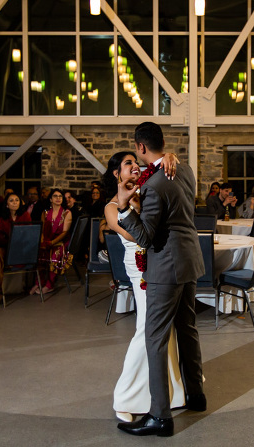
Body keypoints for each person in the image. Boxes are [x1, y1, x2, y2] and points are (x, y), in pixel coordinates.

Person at [116, 122, 205, 437]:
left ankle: (160, 416)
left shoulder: (153, 184)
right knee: (187, 329)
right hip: (190, 259)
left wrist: (124, 207)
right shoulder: (185, 171)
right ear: (162, 143)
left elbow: (145, 237)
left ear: (140, 147)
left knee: (155, 339)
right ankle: (196, 395)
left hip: (166, 267)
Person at [103, 151, 185, 423]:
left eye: (135, 161)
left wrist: (169, 156)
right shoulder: (112, 207)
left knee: (163, 328)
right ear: (116, 173)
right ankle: (126, 397)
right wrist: (134, 207)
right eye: (128, 163)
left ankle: (171, 392)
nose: (135, 166)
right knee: (147, 329)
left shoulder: (146, 191)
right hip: (139, 267)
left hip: (159, 263)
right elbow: (135, 235)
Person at [0, 192, 32, 305]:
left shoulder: (25, 215)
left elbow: (28, 235)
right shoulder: (3, 218)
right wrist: (12, 238)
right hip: (8, 248)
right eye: (11, 200)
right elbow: (0, 239)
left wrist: (10, 237)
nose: (14, 202)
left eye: (17, 200)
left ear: (20, 203)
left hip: (21, 250)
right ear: (7, 204)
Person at [32, 189, 72, 295]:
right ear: (50, 199)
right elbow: (42, 230)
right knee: (38, 253)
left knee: (55, 254)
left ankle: (49, 285)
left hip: (61, 241)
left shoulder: (67, 213)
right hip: (47, 240)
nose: (58, 198)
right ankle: (39, 282)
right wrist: (42, 241)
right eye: (55, 196)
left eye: (60, 196)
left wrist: (52, 242)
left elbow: (65, 232)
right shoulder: (45, 213)